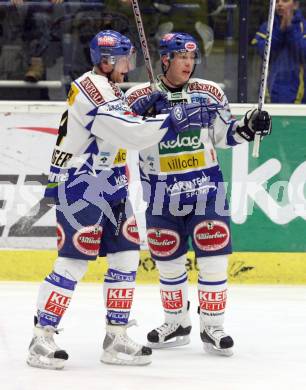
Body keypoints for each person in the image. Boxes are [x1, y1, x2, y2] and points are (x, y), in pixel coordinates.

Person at [26, 29, 213, 370]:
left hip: (111, 183)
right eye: (125, 58)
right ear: (107, 60)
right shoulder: (91, 87)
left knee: (126, 257)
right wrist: (173, 118)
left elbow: (127, 117)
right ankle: (42, 337)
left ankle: (116, 337)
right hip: (82, 184)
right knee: (72, 263)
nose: (130, 66)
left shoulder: (107, 87)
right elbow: (129, 131)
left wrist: (152, 102)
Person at [126, 32, 272, 356]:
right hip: (161, 193)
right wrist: (141, 121)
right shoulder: (138, 97)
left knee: (214, 259)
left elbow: (226, 135)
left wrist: (250, 125)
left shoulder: (209, 93)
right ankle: (176, 323)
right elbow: (120, 137)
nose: (188, 63)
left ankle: (213, 327)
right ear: (165, 60)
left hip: (206, 189)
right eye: (181, 57)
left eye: (192, 58)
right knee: (168, 262)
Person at [252, 0, 306, 103]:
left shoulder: (304, 27)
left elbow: (303, 53)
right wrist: (280, 30)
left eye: (285, 1)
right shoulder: (266, 27)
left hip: (300, 97)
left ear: (295, 5)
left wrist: (290, 28)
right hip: (269, 93)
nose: (279, 4)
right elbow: (263, 52)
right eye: (276, 1)